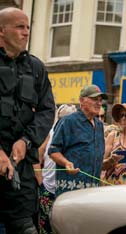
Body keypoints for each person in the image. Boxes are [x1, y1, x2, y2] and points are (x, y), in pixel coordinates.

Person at [0, 7, 55, 234]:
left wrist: (26, 141)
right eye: (19, 27)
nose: (26, 33)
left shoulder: (36, 68)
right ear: (1, 31)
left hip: (20, 171)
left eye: (28, 27)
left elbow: (46, 111)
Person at [48, 85, 106, 196]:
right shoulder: (68, 121)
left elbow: (94, 156)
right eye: (94, 99)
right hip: (71, 190)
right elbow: (53, 151)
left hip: (93, 190)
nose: (99, 103)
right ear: (81, 101)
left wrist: (107, 163)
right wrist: (66, 163)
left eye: (100, 100)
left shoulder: (99, 125)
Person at [37, 104, 76, 234]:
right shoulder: (50, 133)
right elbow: (37, 156)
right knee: (46, 227)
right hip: (48, 188)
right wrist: (40, 182)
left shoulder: (75, 135)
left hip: (66, 190)